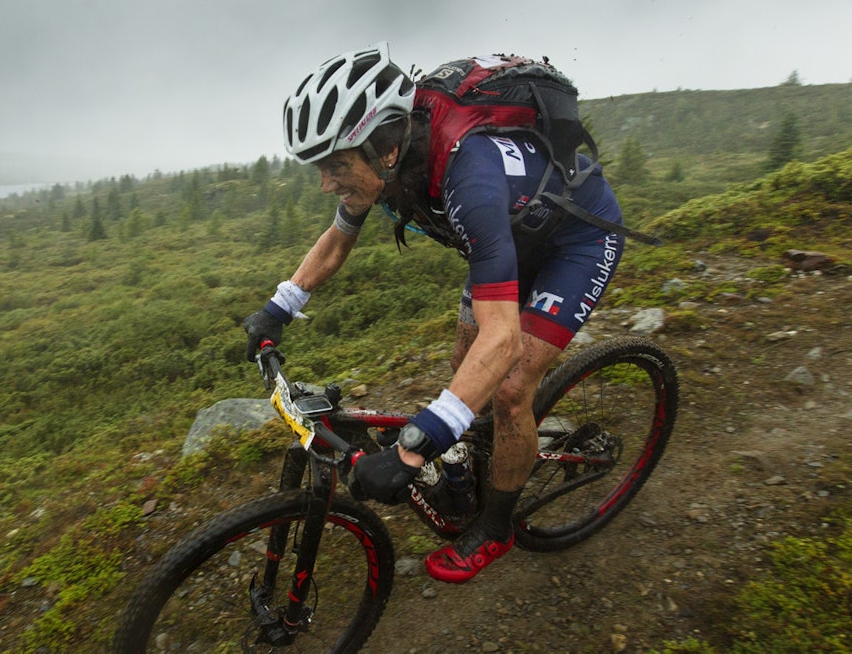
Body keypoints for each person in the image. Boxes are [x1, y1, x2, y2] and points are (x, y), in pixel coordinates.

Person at [243, 42, 625, 584]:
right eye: (321, 168)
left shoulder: (470, 175)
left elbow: (504, 341)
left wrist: (415, 447)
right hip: (509, 238)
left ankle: (496, 527)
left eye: (335, 166)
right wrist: (279, 307)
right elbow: (337, 240)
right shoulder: (385, 159)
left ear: (385, 149)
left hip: (577, 243)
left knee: (511, 388)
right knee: (463, 360)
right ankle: (482, 456)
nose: (327, 183)